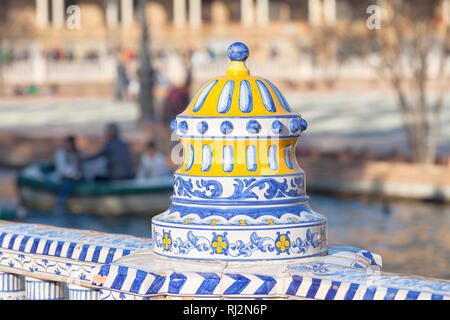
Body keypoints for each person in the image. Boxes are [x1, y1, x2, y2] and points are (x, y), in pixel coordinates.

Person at [54, 135, 83, 212]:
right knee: (69, 182)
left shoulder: (78, 152)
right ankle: (59, 205)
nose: (68, 146)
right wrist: (74, 173)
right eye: (67, 144)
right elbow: (62, 169)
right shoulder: (61, 153)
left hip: (77, 176)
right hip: (65, 177)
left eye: (70, 144)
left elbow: (81, 166)